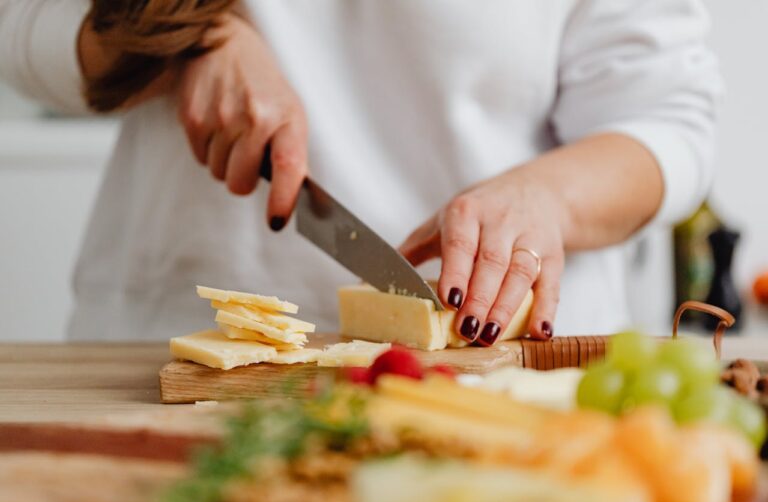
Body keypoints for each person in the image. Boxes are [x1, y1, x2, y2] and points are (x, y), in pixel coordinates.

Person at [0, 1, 722, 343]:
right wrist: (186, 41)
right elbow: (19, 25)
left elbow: (668, 119)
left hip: (505, 372)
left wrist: (546, 197)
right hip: (168, 355)